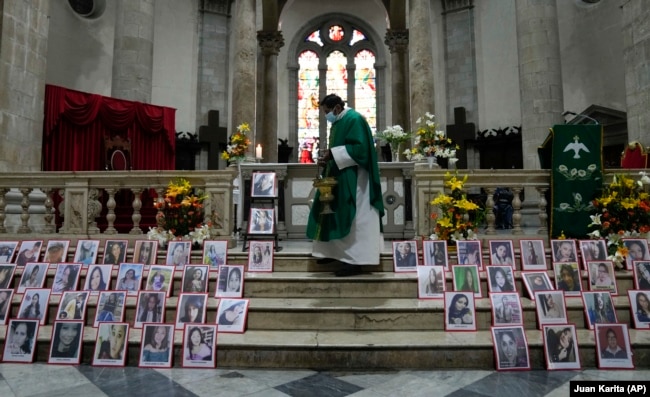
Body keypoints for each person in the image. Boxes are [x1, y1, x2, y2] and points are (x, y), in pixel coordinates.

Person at [306, 94, 385, 277]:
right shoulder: (339, 121)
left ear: (337, 108)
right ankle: (333, 253)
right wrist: (329, 160)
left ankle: (356, 261)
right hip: (341, 175)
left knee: (355, 217)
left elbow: (361, 150)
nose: (326, 116)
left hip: (357, 181)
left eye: (327, 112)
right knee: (333, 213)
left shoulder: (354, 119)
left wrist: (332, 155)